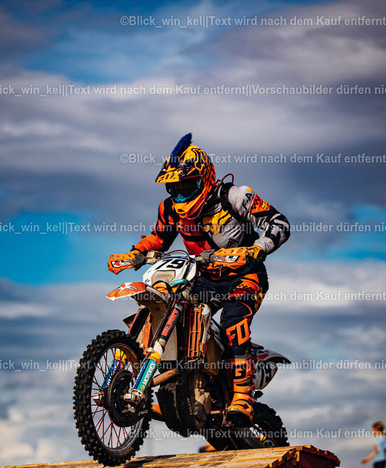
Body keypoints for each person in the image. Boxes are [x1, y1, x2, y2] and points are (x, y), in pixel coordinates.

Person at [108, 133, 290, 430]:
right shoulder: (169, 209)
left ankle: (242, 395)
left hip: (244, 275)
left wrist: (258, 248)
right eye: (174, 188)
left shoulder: (235, 197)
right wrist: (135, 254)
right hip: (204, 276)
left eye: (186, 186)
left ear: (204, 178)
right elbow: (159, 238)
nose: (180, 195)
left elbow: (279, 223)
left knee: (233, 318)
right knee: (167, 304)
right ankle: (175, 381)